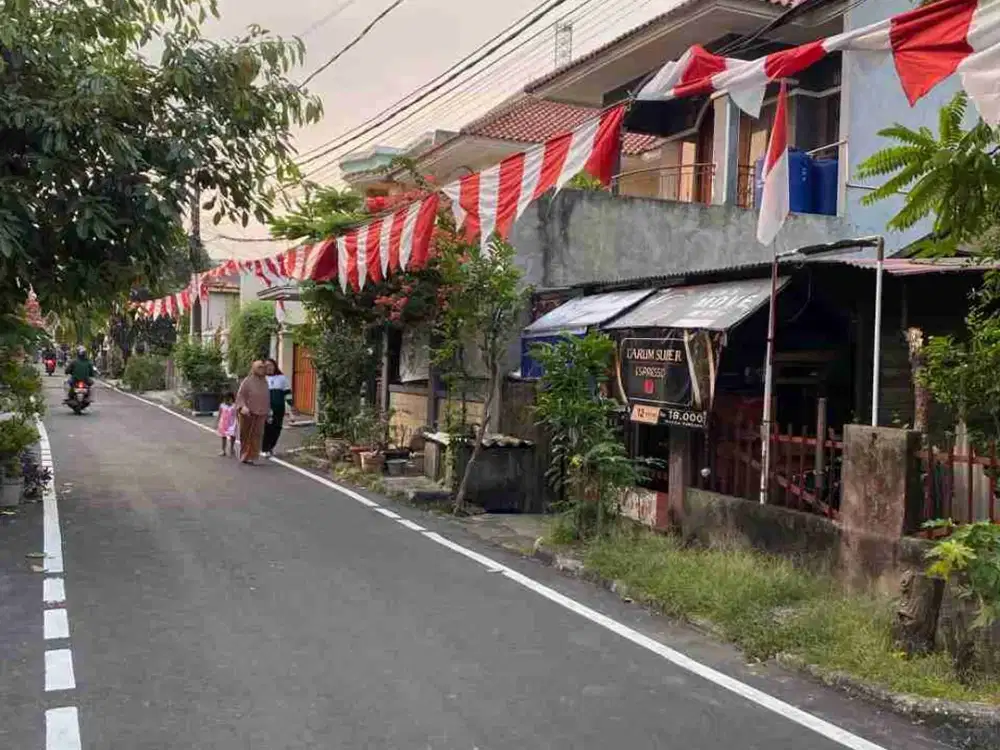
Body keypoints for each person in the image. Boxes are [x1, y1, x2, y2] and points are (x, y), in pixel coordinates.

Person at [235, 360, 269, 464]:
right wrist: (243, 407)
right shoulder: (247, 381)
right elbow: (240, 395)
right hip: (248, 413)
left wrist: (268, 410)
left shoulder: (265, 381)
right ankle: (245, 455)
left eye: (263, 367)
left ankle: (253, 456)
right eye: (259, 367)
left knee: (258, 435)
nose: (262, 369)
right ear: (253, 368)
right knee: (245, 435)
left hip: (261, 413)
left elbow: (266, 397)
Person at [262, 358, 292, 458]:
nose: (269, 368)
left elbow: (287, 393)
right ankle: (265, 448)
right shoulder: (261, 378)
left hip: (279, 408)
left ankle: (271, 447)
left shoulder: (282, 378)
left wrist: (292, 404)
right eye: (266, 366)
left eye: (271, 365)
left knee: (277, 428)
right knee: (267, 428)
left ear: (275, 366)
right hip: (266, 408)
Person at [216, 391, 238, 457]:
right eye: (225, 399)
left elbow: (237, 415)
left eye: (228, 399)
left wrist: (237, 423)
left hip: (232, 424)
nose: (226, 401)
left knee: (232, 436)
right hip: (223, 424)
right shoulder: (222, 405)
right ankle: (223, 450)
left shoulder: (234, 406)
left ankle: (231, 448)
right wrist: (217, 422)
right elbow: (219, 415)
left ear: (232, 399)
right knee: (223, 437)